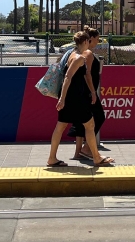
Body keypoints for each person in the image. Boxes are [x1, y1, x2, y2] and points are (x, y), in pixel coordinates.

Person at [47, 31, 114, 167]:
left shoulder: (71, 54)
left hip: (69, 97)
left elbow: (75, 76)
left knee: (60, 127)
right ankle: (96, 157)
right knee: (90, 125)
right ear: (85, 42)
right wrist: (63, 99)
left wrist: (63, 98)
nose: (89, 44)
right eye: (88, 41)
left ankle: (52, 158)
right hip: (75, 98)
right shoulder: (79, 58)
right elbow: (68, 77)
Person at [71, 27, 107, 160]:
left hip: (83, 92)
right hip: (87, 93)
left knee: (82, 122)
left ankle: (79, 152)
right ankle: (87, 149)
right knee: (99, 117)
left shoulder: (83, 52)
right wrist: (92, 92)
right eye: (97, 39)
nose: (98, 42)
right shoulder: (88, 54)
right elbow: (87, 74)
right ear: (90, 39)